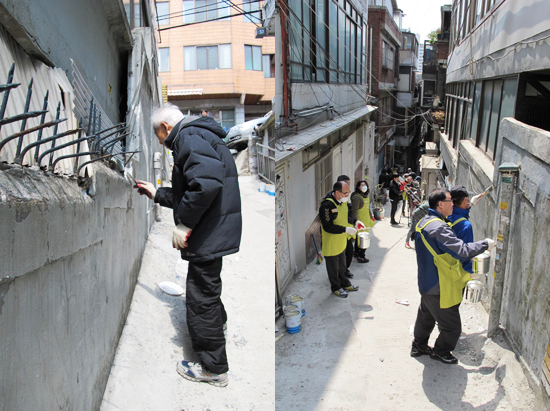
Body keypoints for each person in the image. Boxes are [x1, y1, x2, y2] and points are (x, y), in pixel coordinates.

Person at [135, 103, 242, 387]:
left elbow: (205, 186)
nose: (160, 142)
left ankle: (214, 369)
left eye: (158, 135)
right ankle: (219, 325)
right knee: (206, 287)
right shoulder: (197, 134)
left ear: (166, 128)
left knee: (200, 299)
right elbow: (193, 190)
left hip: (208, 233)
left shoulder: (188, 138)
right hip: (213, 230)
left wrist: (185, 224)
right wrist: (157, 193)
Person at [411, 188, 495, 364]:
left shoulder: (426, 221)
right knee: (452, 328)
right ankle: (441, 352)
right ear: (440, 204)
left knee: (426, 317)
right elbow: (462, 250)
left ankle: (418, 347)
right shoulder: (439, 228)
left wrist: (469, 204)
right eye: (450, 201)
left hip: (426, 281)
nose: (453, 205)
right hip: (438, 283)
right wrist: (484, 244)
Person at [319, 181, 362, 298]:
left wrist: (355, 221)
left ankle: (345, 284)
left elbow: (345, 216)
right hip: (331, 243)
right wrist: (345, 230)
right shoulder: (327, 206)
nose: (347, 195)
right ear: (337, 193)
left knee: (342, 265)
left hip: (341, 241)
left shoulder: (343, 202)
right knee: (333, 268)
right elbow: (327, 226)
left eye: (349, 192)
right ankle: (336, 287)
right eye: (345, 193)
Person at [336, 175, 361, 278]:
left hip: (346, 231)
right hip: (338, 232)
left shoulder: (345, 201)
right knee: (339, 256)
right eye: (347, 184)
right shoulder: (332, 202)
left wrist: (355, 222)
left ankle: (345, 270)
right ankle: (339, 274)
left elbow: (347, 216)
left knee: (349, 252)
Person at [448, 185, 474, 274]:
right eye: (467, 198)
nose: (469, 200)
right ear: (464, 200)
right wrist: (471, 272)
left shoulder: (445, 216)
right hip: (458, 272)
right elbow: (466, 253)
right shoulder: (465, 226)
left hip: (444, 268)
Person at [351, 180, 375, 263]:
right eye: (361, 185)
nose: (363, 186)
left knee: (359, 238)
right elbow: (354, 211)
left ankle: (356, 252)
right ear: (358, 187)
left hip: (366, 220)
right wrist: (355, 222)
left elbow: (367, 208)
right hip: (360, 222)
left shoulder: (365, 196)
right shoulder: (356, 197)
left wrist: (371, 216)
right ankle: (361, 256)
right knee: (364, 239)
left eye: (365, 185)